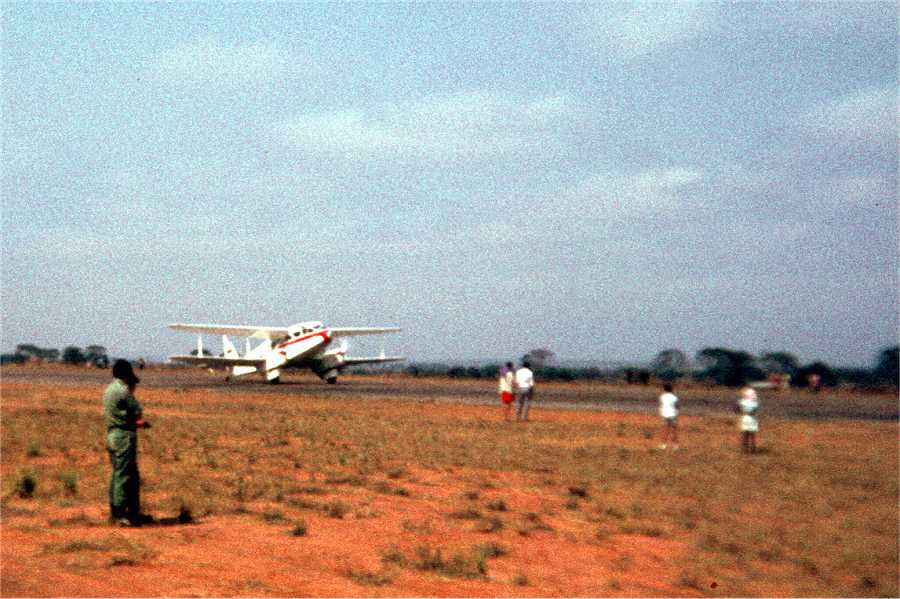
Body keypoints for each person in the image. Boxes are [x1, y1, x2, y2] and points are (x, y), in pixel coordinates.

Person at [104, 359, 151, 526]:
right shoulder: (123, 391)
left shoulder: (109, 389)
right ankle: (120, 514)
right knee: (124, 475)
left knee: (120, 473)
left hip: (112, 436)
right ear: (126, 374)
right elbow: (137, 411)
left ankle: (127, 512)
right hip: (124, 437)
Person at [738, 386, 759, 453]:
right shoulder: (755, 403)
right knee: (752, 435)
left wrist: (742, 410)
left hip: (745, 418)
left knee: (744, 435)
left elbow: (737, 409)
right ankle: (753, 449)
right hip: (753, 419)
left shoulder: (742, 402)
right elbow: (754, 411)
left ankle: (744, 449)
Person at [658, 383, 679, 450]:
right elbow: (677, 406)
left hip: (665, 414)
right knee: (674, 431)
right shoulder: (674, 397)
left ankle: (663, 445)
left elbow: (661, 405)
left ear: (664, 389)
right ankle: (675, 446)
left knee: (665, 430)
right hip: (673, 415)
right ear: (671, 389)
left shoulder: (662, 397)